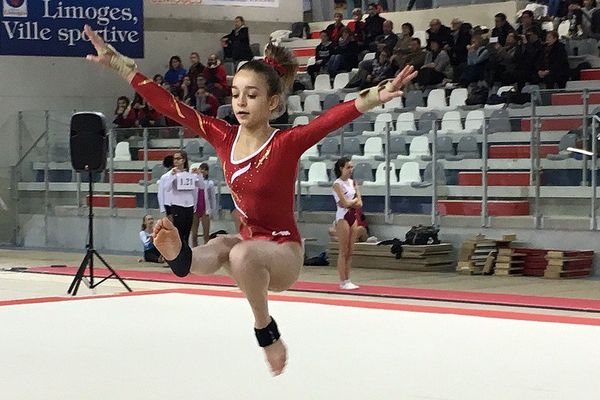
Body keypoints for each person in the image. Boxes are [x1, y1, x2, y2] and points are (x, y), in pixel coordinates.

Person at [83, 24, 416, 376]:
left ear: (272, 102)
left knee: (240, 251)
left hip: (284, 253)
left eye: (251, 95)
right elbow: (171, 106)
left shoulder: (284, 143)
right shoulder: (223, 136)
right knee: (221, 244)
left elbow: (331, 119)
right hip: (250, 243)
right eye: (236, 93)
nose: (240, 102)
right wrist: (122, 66)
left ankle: (266, 332)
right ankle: (181, 257)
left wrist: (378, 94)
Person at [332, 157, 362, 290]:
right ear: (341, 168)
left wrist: (352, 203)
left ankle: (348, 278)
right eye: (348, 167)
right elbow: (343, 203)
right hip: (342, 217)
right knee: (343, 250)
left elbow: (360, 203)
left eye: (351, 167)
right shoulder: (337, 184)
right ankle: (342, 280)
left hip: (352, 216)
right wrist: (352, 202)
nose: (351, 170)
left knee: (351, 250)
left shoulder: (353, 183)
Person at [163, 150, 205, 246]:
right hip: (177, 205)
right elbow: (167, 188)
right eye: (174, 159)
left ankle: (185, 253)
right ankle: (178, 254)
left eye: (178, 159)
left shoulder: (189, 174)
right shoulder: (171, 174)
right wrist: (172, 176)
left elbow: (202, 186)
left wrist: (199, 175)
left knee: (187, 232)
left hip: (189, 205)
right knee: (179, 232)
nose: (176, 161)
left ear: (184, 160)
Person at [191, 163, 217, 247]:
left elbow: (212, 198)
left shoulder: (210, 183)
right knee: (194, 234)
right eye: (201, 168)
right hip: (194, 209)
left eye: (205, 169)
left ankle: (206, 250)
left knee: (206, 234)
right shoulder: (193, 182)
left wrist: (213, 211)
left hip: (205, 209)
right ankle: (194, 250)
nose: (203, 171)